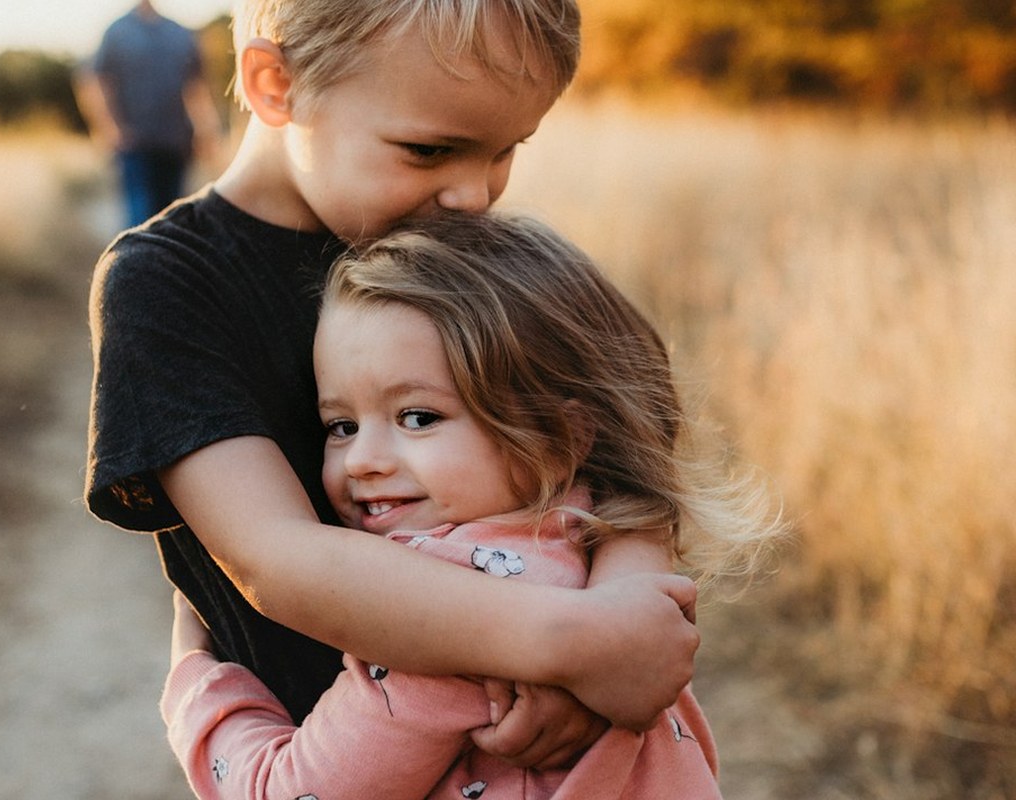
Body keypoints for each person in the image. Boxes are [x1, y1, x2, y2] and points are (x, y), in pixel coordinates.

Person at [86, 0, 699, 769]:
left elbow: (630, 454)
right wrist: (573, 645)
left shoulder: (466, 255)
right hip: (338, 764)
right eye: (430, 149)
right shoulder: (171, 284)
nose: (474, 195)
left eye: (505, 150)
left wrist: (615, 628)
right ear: (277, 84)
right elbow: (277, 558)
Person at [161, 213, 783, 798]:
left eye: (419, 417)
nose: (362, 461)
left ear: (562, 438)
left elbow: (285, 789)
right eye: (341, 426)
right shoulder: (597, 542)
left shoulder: (444, 622)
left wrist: (197, 683)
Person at [74, 0, 221, 227]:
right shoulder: (117, 32)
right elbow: (94, 81)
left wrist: (207, 132)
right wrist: (109, 130)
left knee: (173, 221)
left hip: (175, 142)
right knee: (141, 221)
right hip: (134, 146)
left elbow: (196, 87)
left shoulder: (180, 33)